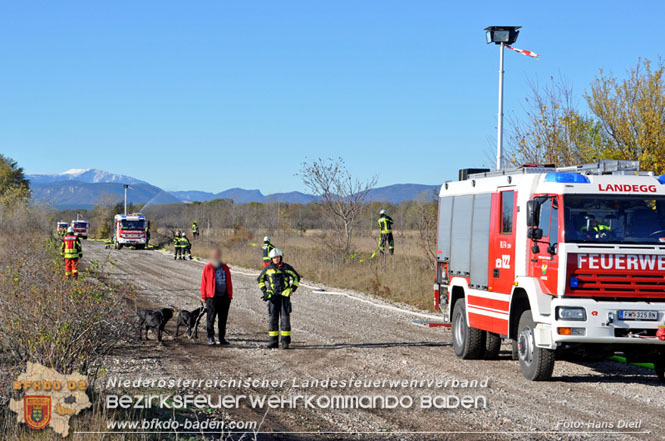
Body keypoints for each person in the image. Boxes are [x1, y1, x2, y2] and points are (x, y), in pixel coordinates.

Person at [257, 248, 300, 349]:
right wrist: (265, 291)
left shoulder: (287, 267)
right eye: (274, 258)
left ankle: (285, 342)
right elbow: (260, 280)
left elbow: (296, 277)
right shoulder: (268, 269)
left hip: (284, 297)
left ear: (280, 257)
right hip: (273, 298)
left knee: (285, 319)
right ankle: (273, 341)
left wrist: (292, 289)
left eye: (277, 257)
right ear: (271, 259)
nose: (276, 259)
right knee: (273, 319)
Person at [200, 248, 233, 345]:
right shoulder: (208, 267)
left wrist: (230, 296)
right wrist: (204, 296)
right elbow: (203, 282)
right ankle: (210, 337)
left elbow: (229, 282)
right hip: (212, 297)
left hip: (224, 297)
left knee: (223, 319)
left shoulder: (225, 267)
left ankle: (221, 338)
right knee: (211, 318)